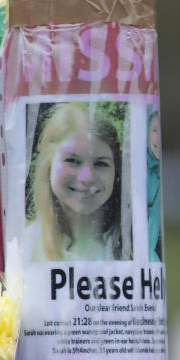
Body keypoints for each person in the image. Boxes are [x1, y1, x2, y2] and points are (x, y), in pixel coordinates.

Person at [26, 101, 128, 261]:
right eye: (72, 160)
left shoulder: (131, 249)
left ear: (116, 172)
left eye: (101, 163)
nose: (87, 177)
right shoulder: (25, 247)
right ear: (48, 163)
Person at [146, 108, 163, 261]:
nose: (158, 138)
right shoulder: (139, 168)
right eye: (154, 130)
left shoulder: (160, 172)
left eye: (160, 130)